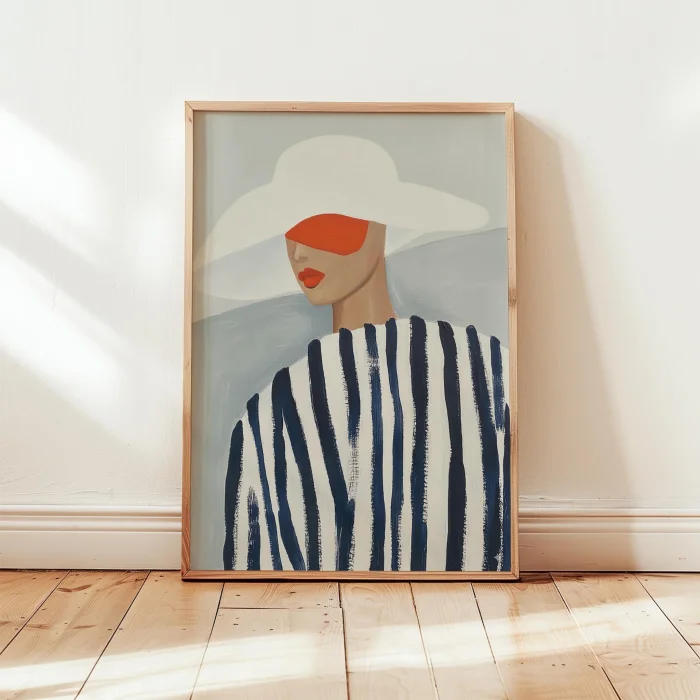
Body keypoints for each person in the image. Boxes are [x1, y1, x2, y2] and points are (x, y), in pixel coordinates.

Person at [198, 135, 511, 572]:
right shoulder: (267, 420)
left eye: (321, 224)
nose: (298, 251)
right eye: (289, 229)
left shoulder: (485, 371)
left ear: (379, 225)